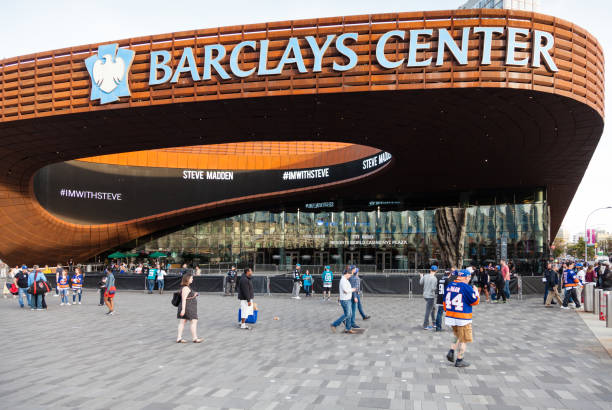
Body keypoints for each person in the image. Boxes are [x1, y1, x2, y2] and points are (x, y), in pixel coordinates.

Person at [444, 269, 480, 367]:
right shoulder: (466, 287)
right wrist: (476, 292)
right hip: (463, 317)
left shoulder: (450, 285)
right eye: (468, 277)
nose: (469, 279)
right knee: (464, 339)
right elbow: (475, 301)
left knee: (457, 335)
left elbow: (444, 302)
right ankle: (460, 359)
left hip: (451, 316)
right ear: (464, 277)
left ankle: (451, 351)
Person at [176, 273, 203, 343]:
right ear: (187, 279)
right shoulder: (185, 288)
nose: (192, 279)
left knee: (183, 321)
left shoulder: (186, 287)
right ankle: (195, 338)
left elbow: (187, 297)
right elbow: (184, 299)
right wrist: (183, 310)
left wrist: (194, 294)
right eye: (191, 278)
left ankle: (179, 338)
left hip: (187, 307)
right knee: (193, 321)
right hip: (188, 307)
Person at [331, 269, 357, 334]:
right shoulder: (343, 281)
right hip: (345, 300)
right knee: (347, 314)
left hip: (347, 299)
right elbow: (345, 291)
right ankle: (334, 324)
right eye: (350, 275)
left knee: (349, 314)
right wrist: (353, 290)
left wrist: (351, 290)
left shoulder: (345, 280)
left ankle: (348, 328)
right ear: (347, 274)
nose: (350, 276)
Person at [420, 265, 438, 330]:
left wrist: (421, 276)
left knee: (433, 308)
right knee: (428, 310)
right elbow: (433, 288)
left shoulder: (425, 276)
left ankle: (434, 323)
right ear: (436, 271)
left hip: (425, 295)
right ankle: (425, 325)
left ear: (430, 270)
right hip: (430, 296)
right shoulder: (435, 278)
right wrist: (436, 287)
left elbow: (421, 283)